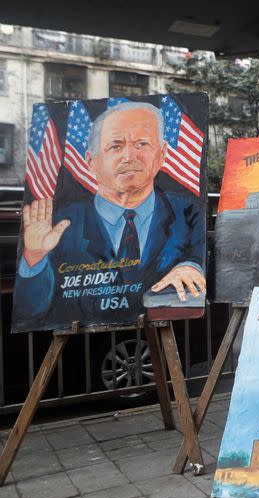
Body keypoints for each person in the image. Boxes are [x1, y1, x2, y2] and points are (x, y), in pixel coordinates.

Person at [13, 102, 205, 329]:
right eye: (115, 146)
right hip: (85, 351)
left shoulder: (189, 212)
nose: (129, 156)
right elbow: (30, 313)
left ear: (162, 154)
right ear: (90, 161)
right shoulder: (57, 225)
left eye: (142, 144)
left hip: (170, 340)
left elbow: (198, 255)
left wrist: (193, 267)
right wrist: (34, 258)